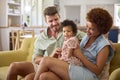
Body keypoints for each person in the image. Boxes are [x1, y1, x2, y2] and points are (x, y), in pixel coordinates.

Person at [6, 6, 85, 80]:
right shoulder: (41, 37)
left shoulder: (69, 31)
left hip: (59, 67)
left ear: (59, 17)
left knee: (29, 78)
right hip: (42, 65)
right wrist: (50, 57)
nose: (54, 23)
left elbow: (87, 37)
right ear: (46, 21)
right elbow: (36, 59)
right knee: (13, 66)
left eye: (56, 19)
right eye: (50, 21)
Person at [33, 7, 114, 80]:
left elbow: (97, 71)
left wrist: (80, 56)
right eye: (87, 27)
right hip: (77, 68)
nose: (87, 31)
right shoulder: (88, 37)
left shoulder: (104, 45)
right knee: (44, 76)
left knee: (46, 60)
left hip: (89, 74)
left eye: (91, 29)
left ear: (101, 30)